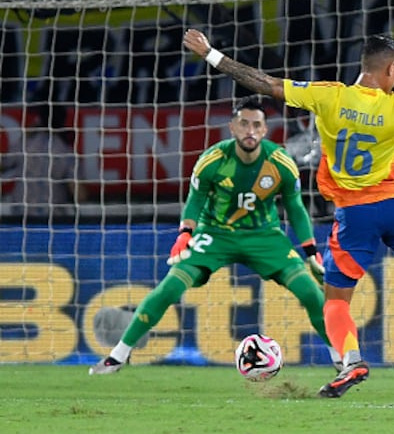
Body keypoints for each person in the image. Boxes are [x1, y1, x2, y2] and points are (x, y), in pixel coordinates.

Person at [182, 25, 394, 397]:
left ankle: (352, 362)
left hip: (355, 215)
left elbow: (264, 83)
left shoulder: (327, 97)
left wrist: (211, 55)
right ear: (391, 70)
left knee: (336, 300)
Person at [89, 94, 341, 375]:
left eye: (256, 125)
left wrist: (310, 250)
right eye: (244, 124)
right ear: (232, 127)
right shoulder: (213, 160)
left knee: (311, 293)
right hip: (215, 233)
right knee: (170, 287)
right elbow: (195, 201)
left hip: (264, 236)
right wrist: (185, 234)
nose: (250, 131)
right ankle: (118, 355)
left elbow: (295, 208)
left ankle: (339, 359)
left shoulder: (280, 162)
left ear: (265, 129)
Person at [1, 105, 85, 218]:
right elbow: (80, 195)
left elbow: (3, 163)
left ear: (39, 120)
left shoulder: (24, 145)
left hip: (21, 217)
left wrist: (26, 135)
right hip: (52, 219)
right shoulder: (65, 152)